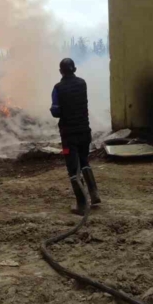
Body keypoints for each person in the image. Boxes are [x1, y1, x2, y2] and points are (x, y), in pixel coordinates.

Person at [50, 58, 101, 215]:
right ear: (75, 69)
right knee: (84, 161)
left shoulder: (58, 88)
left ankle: (82, 204)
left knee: (73, 169)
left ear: (60, 71)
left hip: (68, 134)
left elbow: (56, 111)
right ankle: (94, 195)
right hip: (85, 131)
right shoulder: (82, 83)